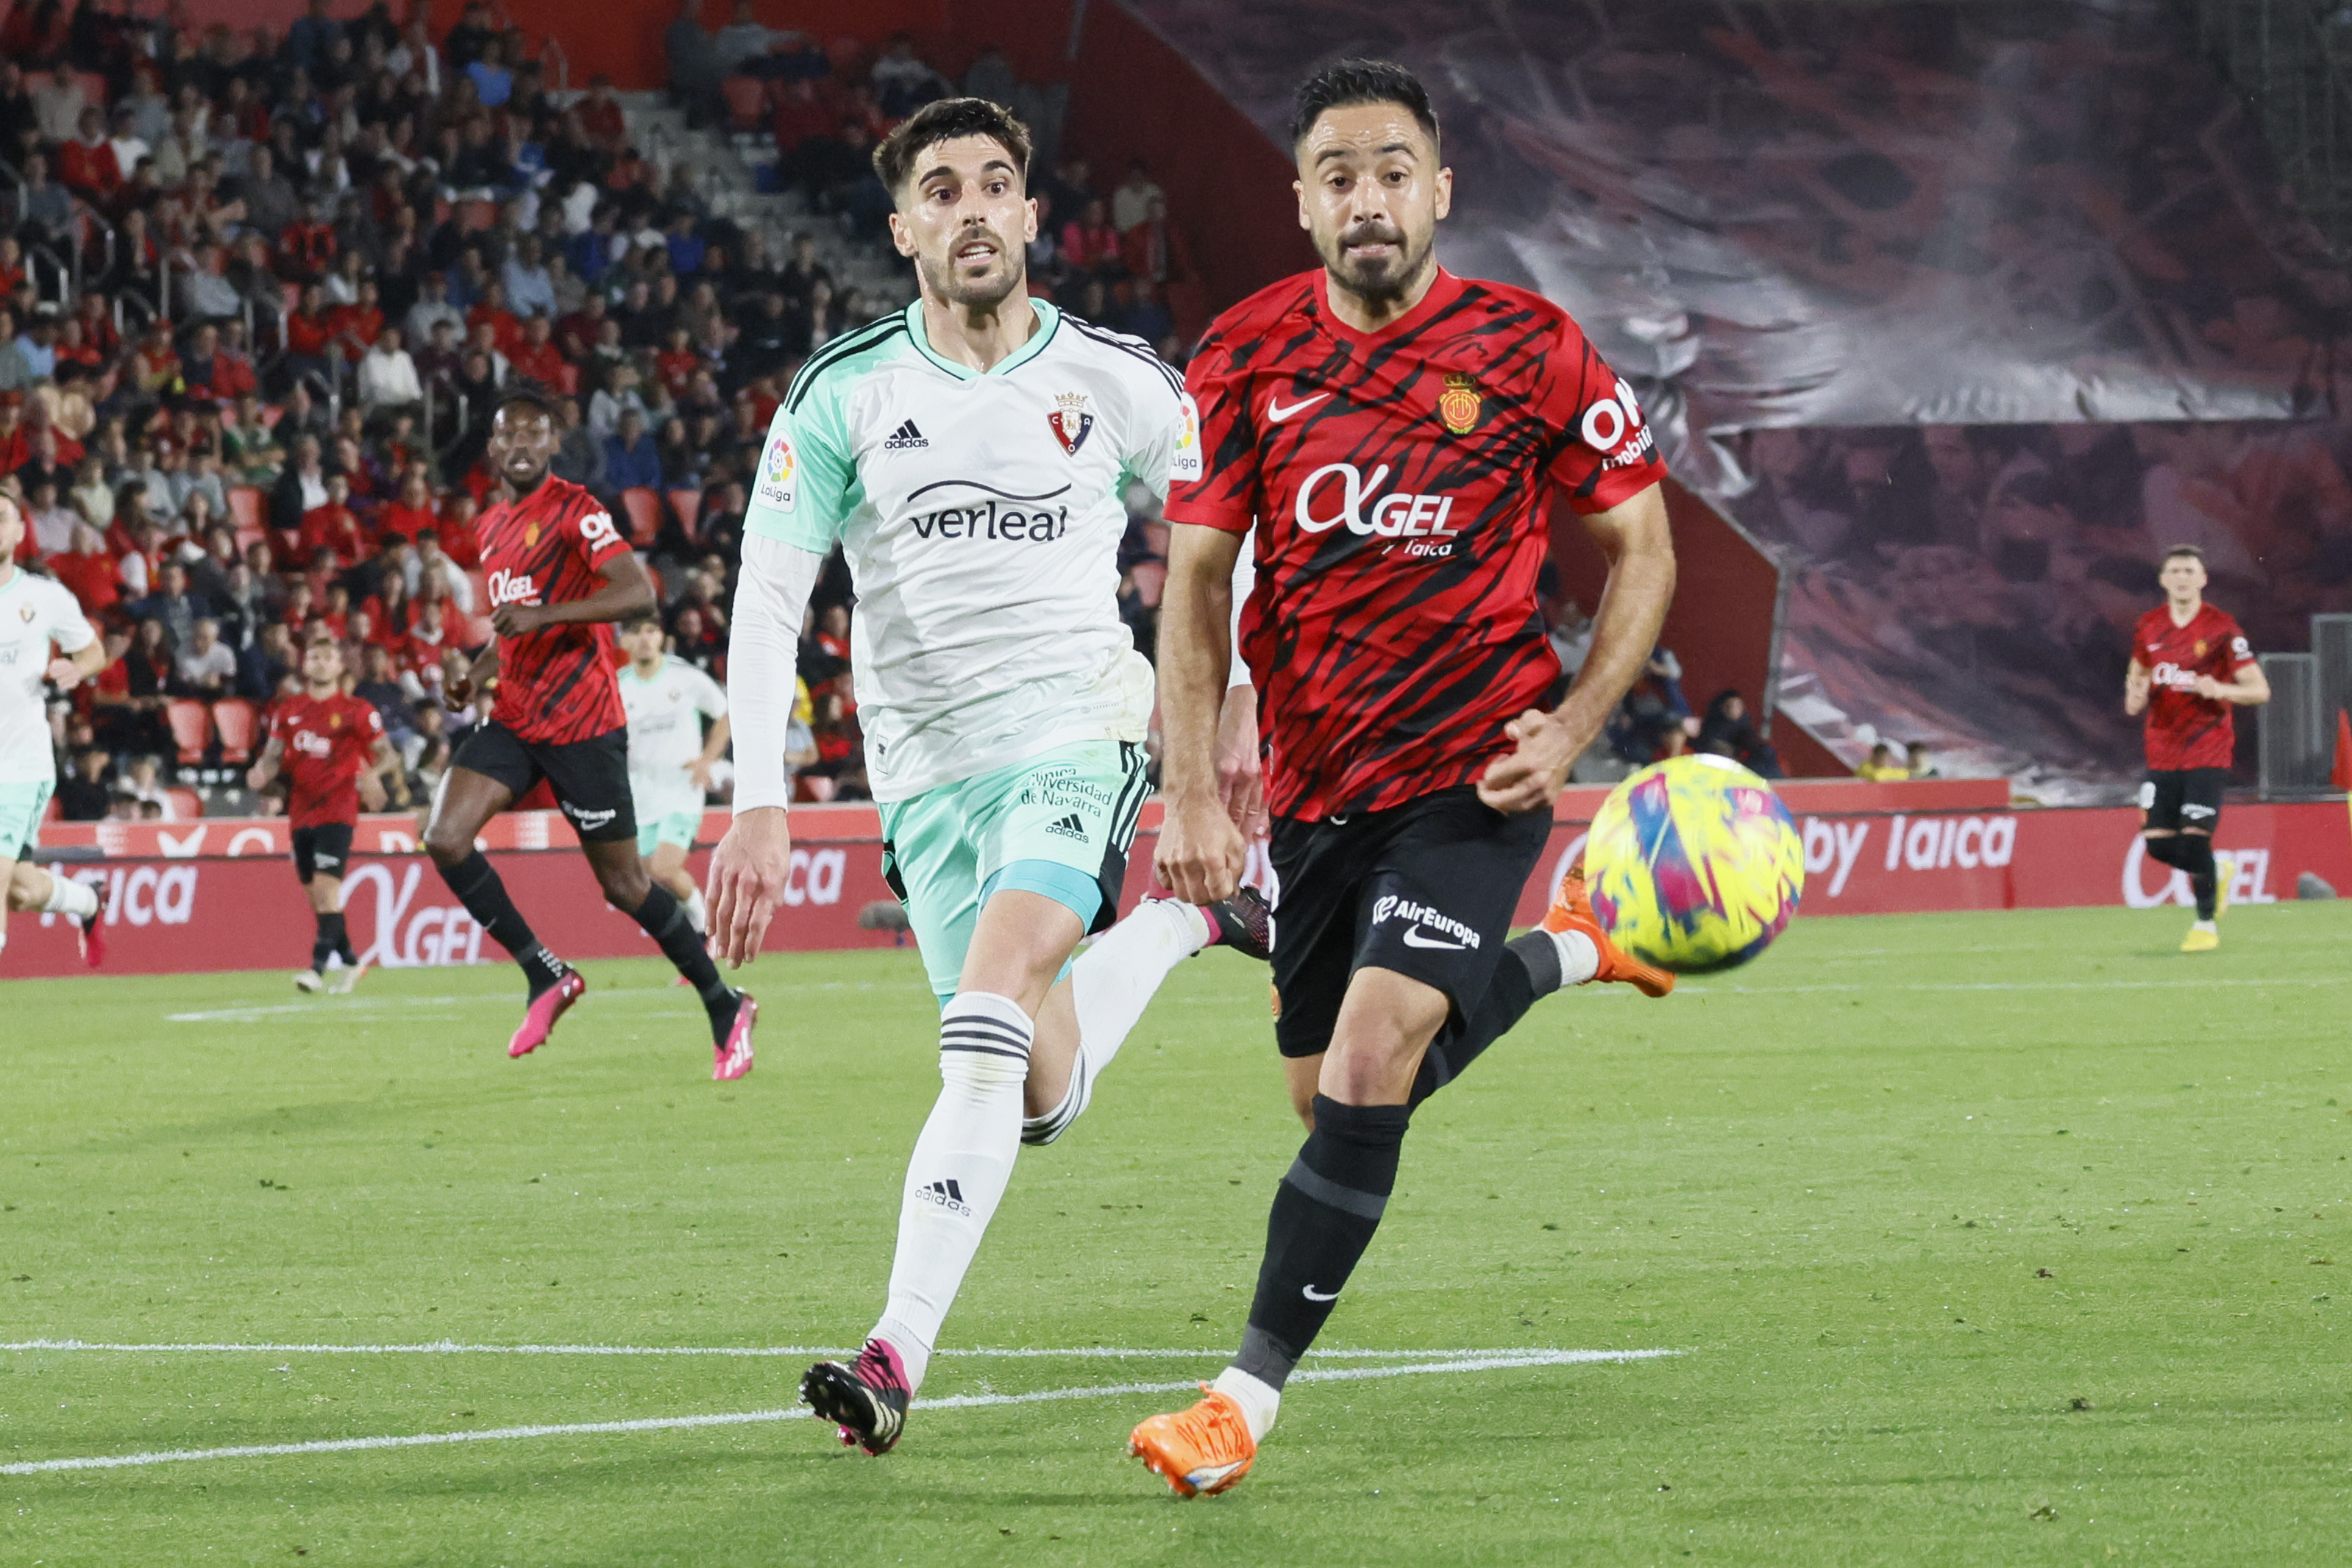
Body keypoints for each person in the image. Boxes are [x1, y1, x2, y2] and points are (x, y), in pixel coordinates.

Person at [1130, 60, 1680, 1496]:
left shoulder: (1530, 349)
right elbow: (1193, 587)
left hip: (1473, 773)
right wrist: (1189, 787)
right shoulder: (1241, 356)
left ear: (1435, 190)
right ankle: (1563, 955)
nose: (1362, 196)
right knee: (1331, 1103)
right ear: (1298, 200)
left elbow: (1643, 547)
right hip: (1313, 794)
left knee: (1372, 1058)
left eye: (1388, 170)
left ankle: (1235, 1405)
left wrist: (1568, 725)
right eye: (1333, 173)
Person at [702, 96, 1272, 1457]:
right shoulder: (846, 392)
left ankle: (895, 1348)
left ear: (1029, 217)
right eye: (942, 189)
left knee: (990, 997)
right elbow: (767, 597)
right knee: (1038, 1086)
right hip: (922, 775)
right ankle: (1193, 921)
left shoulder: (1114, 376)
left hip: (1080, 728)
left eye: (995, 184)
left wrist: (1239, 689)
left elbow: (1220, 534)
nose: (971, 208)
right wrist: (760, 800)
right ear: (903, 229)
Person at [421, 390, 756, 1076]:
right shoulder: (490, 529)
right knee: (446, 837)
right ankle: (545, 973)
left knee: (626, 885)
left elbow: (639, 593)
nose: (518, 443)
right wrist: (475, 674)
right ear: (491, 449)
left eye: (532, 433)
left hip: (582, 723)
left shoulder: (576, 511)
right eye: (506, 432)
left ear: (551, 446)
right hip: (515, 715)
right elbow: (512, 627)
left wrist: (544, 617)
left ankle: (725, 1003)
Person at [2124, 544, 2270, 952]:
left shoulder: (2222, 627)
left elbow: (2260, 690)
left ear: (2203, 579)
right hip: (2162, 748)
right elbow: (2137, 675)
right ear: (2163, 580)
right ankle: (2217, 871)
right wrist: (2133, 698)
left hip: (2207, 746)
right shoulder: (2149, 626)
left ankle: (2205, 925)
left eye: (2190, 570)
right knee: (2156, 844)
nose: (2183, 577)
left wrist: (2219, 688)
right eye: (2175, 570)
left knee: (2193, 840)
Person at [246, 638, 397, 991]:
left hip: (338, 809)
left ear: (340, 666)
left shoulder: (356, 710)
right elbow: (273, 754)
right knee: (317, 895)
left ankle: (315, 971)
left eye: (328, 657)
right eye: (314, 656)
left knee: (328, 889)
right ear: (305, 664)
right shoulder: (289, 710)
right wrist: (260, 771)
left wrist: (372, 774)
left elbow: (389, 753)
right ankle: (352, 962)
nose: (321, 662)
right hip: (300, 811)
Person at [0, 496, 107, 964]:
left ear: (21, 532)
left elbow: (92, 651)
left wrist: (75, 670)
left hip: (17, 763)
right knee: (19, 892)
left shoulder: (44, 596)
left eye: (1, 518)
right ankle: (85, 901)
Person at [617, 614, 728, 934]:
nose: (645, 639)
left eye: (652, 631)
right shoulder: (619, 685)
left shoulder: (685, 677)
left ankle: (706, 928)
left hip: (682, 788)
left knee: (665, 868)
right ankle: (689, 932)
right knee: (646, 876)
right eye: (636, 631)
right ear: (624, 642)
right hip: (641, 793)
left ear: (662, 637)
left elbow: (725, 715)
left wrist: (707, 760)